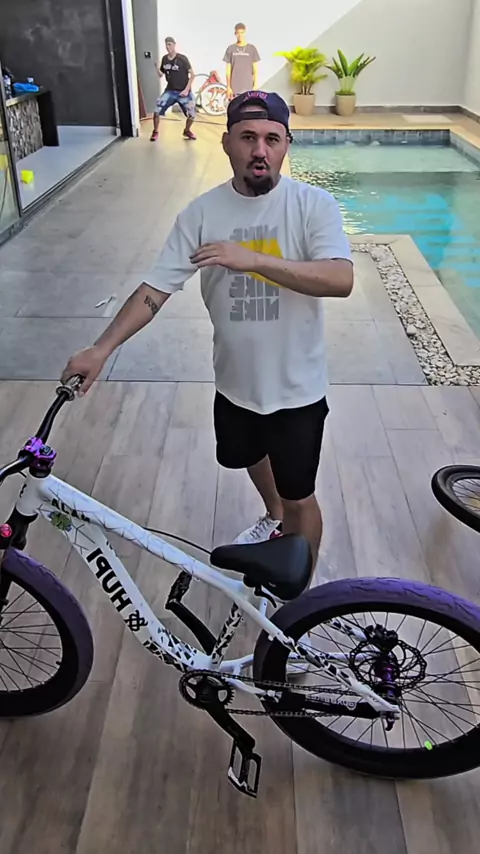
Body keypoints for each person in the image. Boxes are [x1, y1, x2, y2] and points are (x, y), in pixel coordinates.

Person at [61, 91, 353, 575]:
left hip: (296, 391)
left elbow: (340, 279)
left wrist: (252, 259)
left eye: (272, 139)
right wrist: (101, 348)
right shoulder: (201, 214)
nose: (260, 150)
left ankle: (297, 596)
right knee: (249, 456)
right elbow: (155, 290)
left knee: (301, 496)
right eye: (248, 137)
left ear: (286, 144)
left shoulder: (311, 206)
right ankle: (273, 515)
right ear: (227, 143)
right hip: (235, 383)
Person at [151, 37, 196, 141]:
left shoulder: (182, 59)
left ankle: (187, 130)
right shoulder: (165, 59)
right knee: (157, 110)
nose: (168, 47)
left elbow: (192, 75)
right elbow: (161, 75)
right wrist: (157, 67)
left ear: (174, 45)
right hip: (170, 91)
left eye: (170, 44)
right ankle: (155, 131)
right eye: (166, 45)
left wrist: (186, 90)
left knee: (192, 114)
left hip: (184, 91)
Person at [223, 23, 260, 99]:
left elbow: (255, 69)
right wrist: (228, 86)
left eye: (242, 33)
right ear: (235, 34)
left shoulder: (252, 48)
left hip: (248, 88)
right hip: (234, 89)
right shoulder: (231, 49)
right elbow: (228, 70)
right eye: (238, 33)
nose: (240, 35)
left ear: (245, 32)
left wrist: (255, 85)